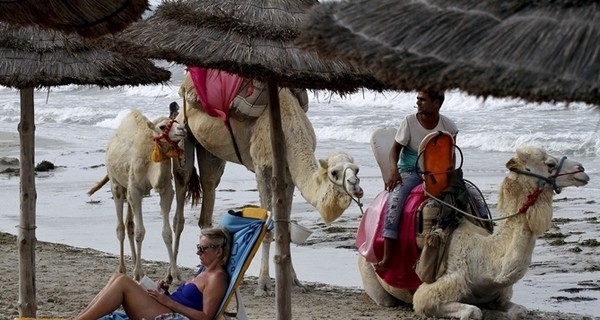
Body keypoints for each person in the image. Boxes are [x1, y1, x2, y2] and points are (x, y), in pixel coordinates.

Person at [374, 91, 458, 272]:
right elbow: (394, 150)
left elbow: (450, 156)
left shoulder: (449, 126)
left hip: (437, 172)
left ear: (436, 103)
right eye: (417, 99)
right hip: (410, 171)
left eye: (422, 100)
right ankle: (388, 256)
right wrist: (394, 171)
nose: (417, 102)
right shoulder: (409, 122)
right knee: (395, 202)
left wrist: (452, 178)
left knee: (470, 196)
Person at [75, 227, 232, 320]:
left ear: (218, 251)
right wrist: (165, 293)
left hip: (171, 315)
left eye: (203, 248)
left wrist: (169, 303)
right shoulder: (204, 271)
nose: (198, 252)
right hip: (166, 308)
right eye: (198, 247)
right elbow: (189, 300)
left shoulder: (217, 278)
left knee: (123, 281)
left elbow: (206, 317)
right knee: (117, 277)